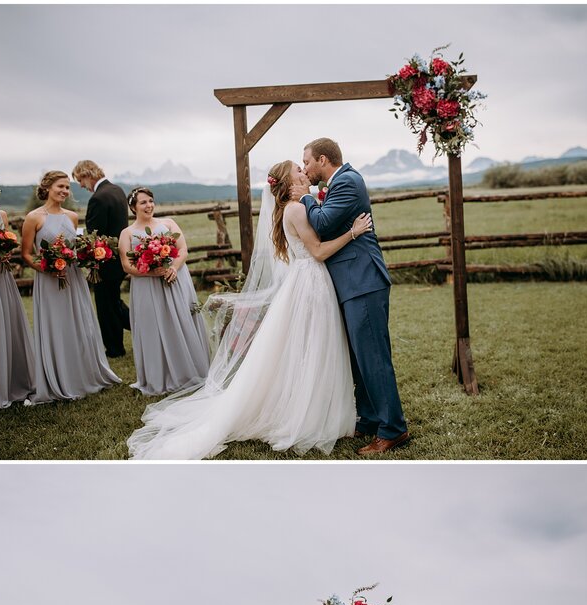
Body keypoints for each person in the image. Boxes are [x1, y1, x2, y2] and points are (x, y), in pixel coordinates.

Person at [127, 161, 370, 460]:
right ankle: (310, 413)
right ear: (287, 181)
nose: (302, 171)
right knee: (316, 345)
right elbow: (318, 252)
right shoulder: (296, 210)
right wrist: (353, 233)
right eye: (297, 169)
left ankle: (317, 405)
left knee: (312, 345)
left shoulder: (291, 208)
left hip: (307, 281)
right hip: (311, 282)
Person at [296, 137, 409, 455]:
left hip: (363, 281)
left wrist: (305, 197)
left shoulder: (346, 181)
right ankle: (370, 418)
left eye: (306, 162)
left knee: (374, 357)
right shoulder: (338, 184)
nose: (304, 168)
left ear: (321, 159)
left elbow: (320, 222)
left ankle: (393, 429)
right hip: (351, 283)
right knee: (361, 359)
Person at [21, 170, 121, 403]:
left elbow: (74, 249)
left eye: (67, 187)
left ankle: (81, 375)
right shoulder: (33, 218)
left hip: (73, 277)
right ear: (47, 187)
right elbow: (26, 255)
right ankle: (58, 377)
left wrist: (88, 256)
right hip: (49, 280)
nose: (65, 191)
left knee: (78, 324)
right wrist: (48, 269)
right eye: (60, 187)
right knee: (55, 324)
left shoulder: (73, 217)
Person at [119, 186, 209, 395]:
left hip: (175, 279)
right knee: (152, 326)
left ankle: (189, 369)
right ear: (133, 207)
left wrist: (173, 268)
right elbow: (126, 265)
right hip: (146, 286)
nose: (149, 205)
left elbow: (183, 249)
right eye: (143, 202)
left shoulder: (168, 224)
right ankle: (158, 375)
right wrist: (152, 273)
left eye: (151, 200)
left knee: (180, 320)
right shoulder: (128, 233)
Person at [0, 174, 36, 410]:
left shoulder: (2, 216)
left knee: (9, 326)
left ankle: (13, 383)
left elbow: (10, 243)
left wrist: (6, 253)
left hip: (3, 277)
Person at [72, 160, 131, 356]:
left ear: (88, 174)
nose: (81, 185)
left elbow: (94, 234)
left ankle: (115, 347)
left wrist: (80, 242)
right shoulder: (117, 190)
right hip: (120, 258)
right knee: (113, 302)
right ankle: (129, 337)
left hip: (105, 261)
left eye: (80, 180)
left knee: (106, 306)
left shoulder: (98, 198)